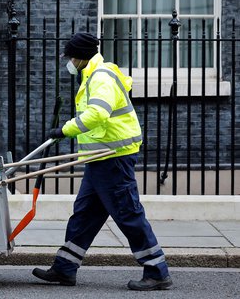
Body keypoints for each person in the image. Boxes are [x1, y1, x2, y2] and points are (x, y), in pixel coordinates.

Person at [32, 32, 172, 291]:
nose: (69, 62)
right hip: (101, 158)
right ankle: (65, 268)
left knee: (128, 213)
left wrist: (65, 130)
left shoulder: (101, 77)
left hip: (113, 158)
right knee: (84, 214)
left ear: (81, 57)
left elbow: (98, 113)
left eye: (71, 57)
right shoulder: (92, 75)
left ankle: (157, 271)